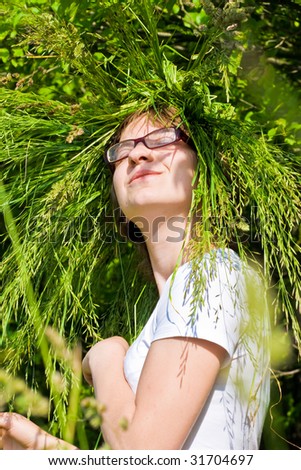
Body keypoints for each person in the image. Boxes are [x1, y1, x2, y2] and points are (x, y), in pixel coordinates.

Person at [0, 108, 270, 450]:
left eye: (162, 138)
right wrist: (37, 447)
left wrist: (106, 356)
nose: (138, 153)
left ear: (204, 172)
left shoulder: (210, 274)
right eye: (123, 149)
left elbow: (144, 453)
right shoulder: (187, 290)